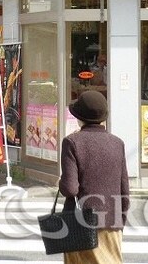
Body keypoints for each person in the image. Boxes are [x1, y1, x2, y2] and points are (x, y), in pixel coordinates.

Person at [59, 90, 130, 264]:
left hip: (81, 223)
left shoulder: (72, 142)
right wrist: (120, 219)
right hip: (113, 222)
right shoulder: (117, 143)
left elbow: (70, 189)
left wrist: (60, 183)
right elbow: (124, 189)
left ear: (79, 117)